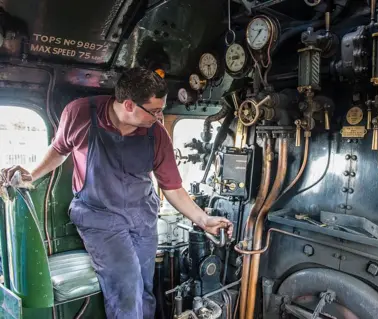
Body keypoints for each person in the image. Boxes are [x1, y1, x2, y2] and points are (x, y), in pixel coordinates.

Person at [0, 67, 233, 318]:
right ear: (130, 105)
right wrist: (31, 175)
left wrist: (204, 220)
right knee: (126, 286)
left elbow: (172, 187)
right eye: (154, 111)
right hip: (98, 217)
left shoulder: (157, 135)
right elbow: (60, 149)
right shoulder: (80, 114)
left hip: (142, 217)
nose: (159, 116)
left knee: (144, 287)